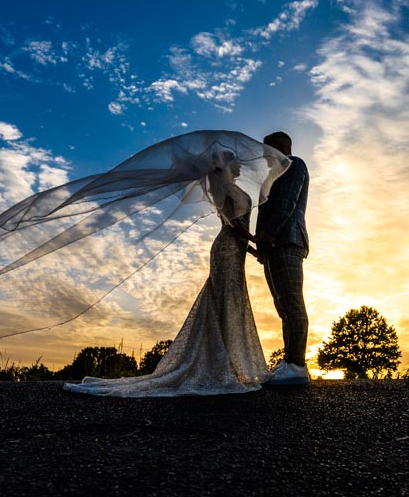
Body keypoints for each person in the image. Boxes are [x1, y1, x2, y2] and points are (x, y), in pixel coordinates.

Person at [64, 150, 272, 397]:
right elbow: (232, 225)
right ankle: (221, 365)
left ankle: (228, 364)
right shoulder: (223, 189)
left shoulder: (233, 189)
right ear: (226, 165)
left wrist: (252, 249)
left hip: (235, 250)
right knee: (223, 302)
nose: (240, 164)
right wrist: (255, 240)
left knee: (230, 303)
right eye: (235, 159)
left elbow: (239, 229)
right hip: (225, 251)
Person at [255, 131, 311, 386]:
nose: (265, 155)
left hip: (286, 240)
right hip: (273, 245)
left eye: (268, 149)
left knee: (291, 302)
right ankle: (289, 361)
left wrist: (270, 233)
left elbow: (287, 202)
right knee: (282, 306)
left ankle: (297, 365)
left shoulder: (293, 164)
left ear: (280, 146)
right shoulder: (271, 175)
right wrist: (262, 246)